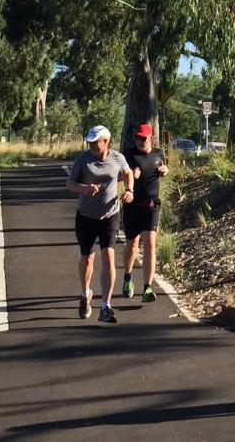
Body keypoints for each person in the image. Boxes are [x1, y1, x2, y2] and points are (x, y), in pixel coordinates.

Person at [65, 125, 133, 323]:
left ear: (106, 141)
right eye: (90, 142)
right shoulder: (83, 159)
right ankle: (86, 294)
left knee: (108, 258)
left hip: (110, 217)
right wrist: (84, 189)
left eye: (95, 142)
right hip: (86, 216)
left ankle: (105, 306)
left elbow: (128, 172)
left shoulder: (117, 158)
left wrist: (130, 190)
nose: (92, 145)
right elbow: (70, 183)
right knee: (87, 259)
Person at [121, 123, 169, 302]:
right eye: (137, 138)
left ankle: (148, 287)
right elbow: (120, 175)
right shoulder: (129, 154)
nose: (139, 141)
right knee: (132, 243)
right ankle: (127, 276)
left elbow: (164, 167)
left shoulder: (158, 154)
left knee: (149, 243)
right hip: (133, 205)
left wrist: (165, 170)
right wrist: (131, 175)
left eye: (143, 138)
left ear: (151, 138)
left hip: (151, 205)